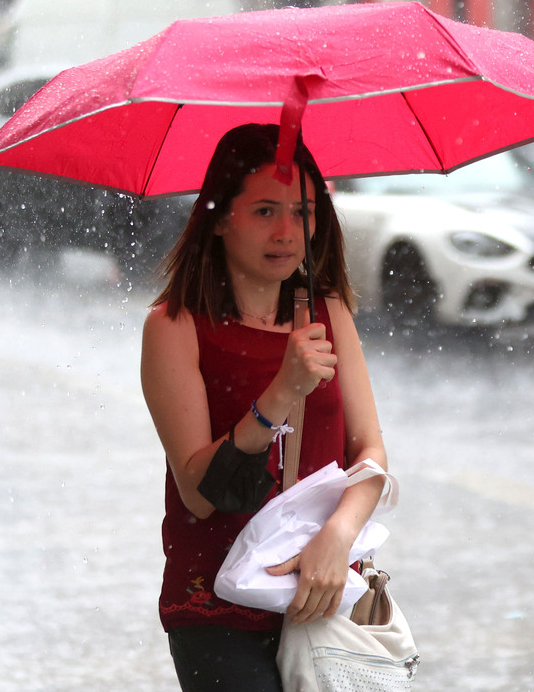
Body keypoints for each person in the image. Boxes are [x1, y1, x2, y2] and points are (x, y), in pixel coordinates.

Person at [141, 122, 389, 691]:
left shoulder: (328, 312)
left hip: (323, 591)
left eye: (303, 213)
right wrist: (281, 391)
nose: (287, 232)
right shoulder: (174, 328)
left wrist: (338, 537)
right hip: (218, 603)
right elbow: (200, 495)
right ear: (221, 217)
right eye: (264, 212)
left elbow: (370, 454)